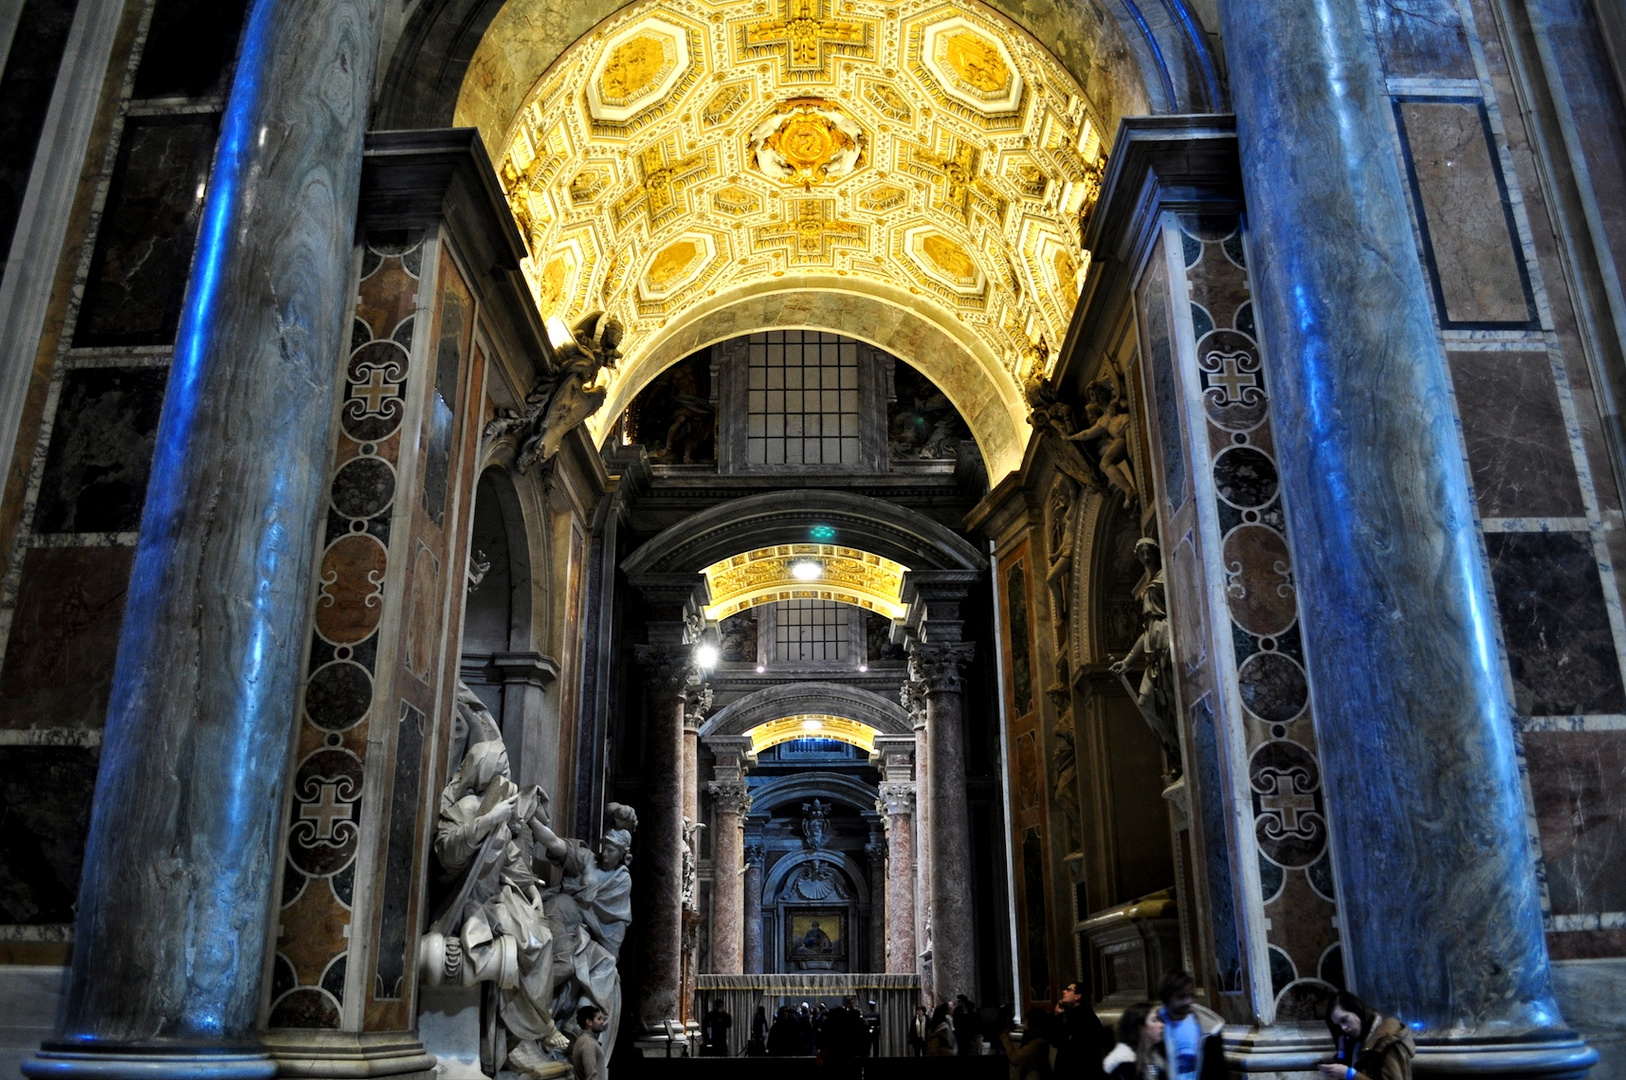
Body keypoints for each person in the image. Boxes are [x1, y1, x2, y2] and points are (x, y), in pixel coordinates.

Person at [1317, 991, 1415, 1080]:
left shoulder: (1388, 1038)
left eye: (1345, 1020)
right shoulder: (1359, 1041)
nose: (1343, 1028)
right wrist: (1342, 1054)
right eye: (1339, 1026)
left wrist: (1351, 1075)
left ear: (1357, 1010)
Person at [1157, 972, 1225, 1080]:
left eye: (1191, 995)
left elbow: (1219, 1071)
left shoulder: (1209, 1028)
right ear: (1167, 997)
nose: (1188, 1001)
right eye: (1181, 997)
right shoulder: (1154, 1027)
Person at [1048, 980, 1111, 1080]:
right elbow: (1056, 1041)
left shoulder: (1086, 1020)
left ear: (1078, 996)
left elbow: (1065, 1045)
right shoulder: (1074, 1016)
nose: (1063, 992)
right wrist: (1057, 1015)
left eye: (1069, 990)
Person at [1102, 1003, 1165, 1080]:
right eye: (1154, 1020)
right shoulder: (1124, 1065)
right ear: (1140, 1028)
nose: (1162, 1025)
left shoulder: (1155, 1055)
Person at [570, 1005, 609, 1080]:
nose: (602, 1022)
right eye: (599, 1019)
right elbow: (591, 1076)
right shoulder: (589, 1043)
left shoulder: (583, 1040)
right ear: (589, 1022)